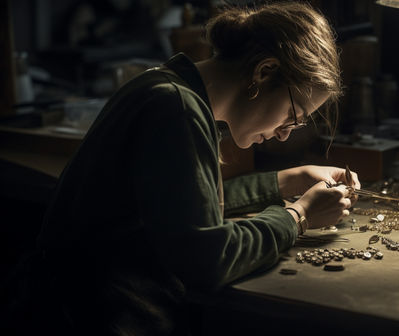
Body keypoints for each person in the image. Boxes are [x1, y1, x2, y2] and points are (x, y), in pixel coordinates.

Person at [1, 2, 360, 335]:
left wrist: (287, 181)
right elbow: (208, 259)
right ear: (264, 71)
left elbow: (178, 206)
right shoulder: (178, 109)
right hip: (93, 317)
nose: (284, 135)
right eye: (292, 116)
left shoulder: (166, 85)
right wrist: (298, 216)